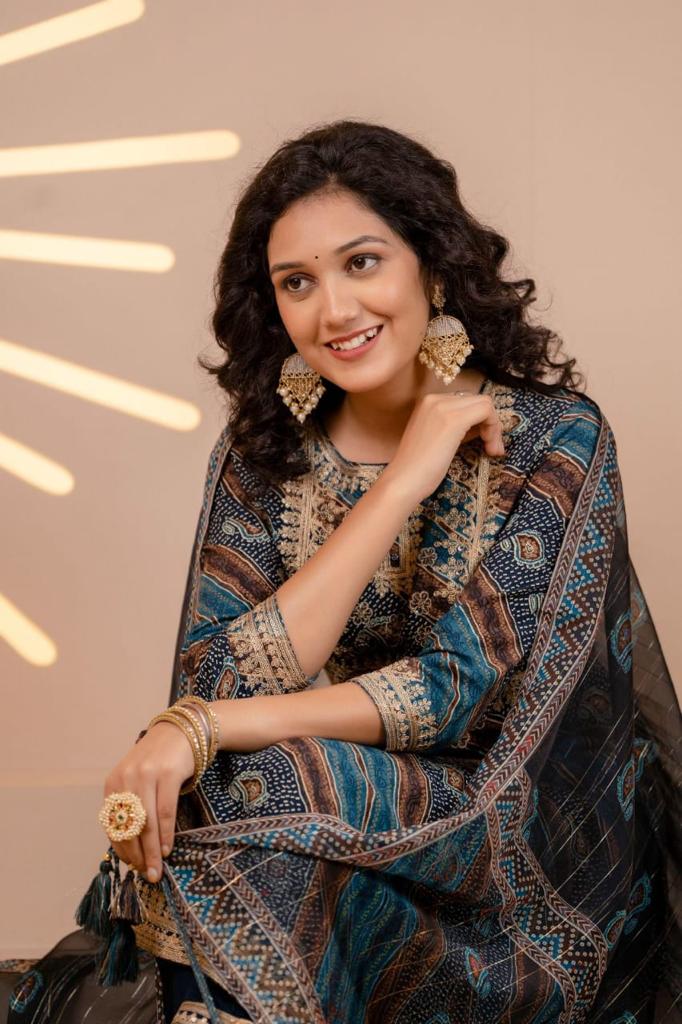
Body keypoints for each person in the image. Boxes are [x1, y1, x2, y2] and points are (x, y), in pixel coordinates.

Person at [8, 119, 680, 1024]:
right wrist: (399, 487)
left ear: (431, 267)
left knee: (253, 773)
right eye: (298, 282)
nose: (334, 311)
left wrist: (199, 728)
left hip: (512, 833)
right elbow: (224, 675)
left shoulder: (555, 440)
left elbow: (457, 692)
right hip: (331, 809)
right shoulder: (263, 454)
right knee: (237, 781)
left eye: (362, 262)